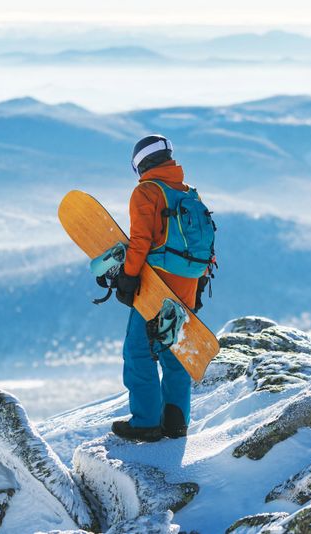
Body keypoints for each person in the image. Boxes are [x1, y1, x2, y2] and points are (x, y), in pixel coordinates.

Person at [111, 134, 214, 443]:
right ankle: (176, 421)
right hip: (189, 284)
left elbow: (141, 240)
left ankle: (145, 422)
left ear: (140, 164)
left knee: (138, 351)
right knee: (175, 351)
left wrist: (129, 277)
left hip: (157, 284)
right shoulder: (188, 192)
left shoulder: (147, 192)